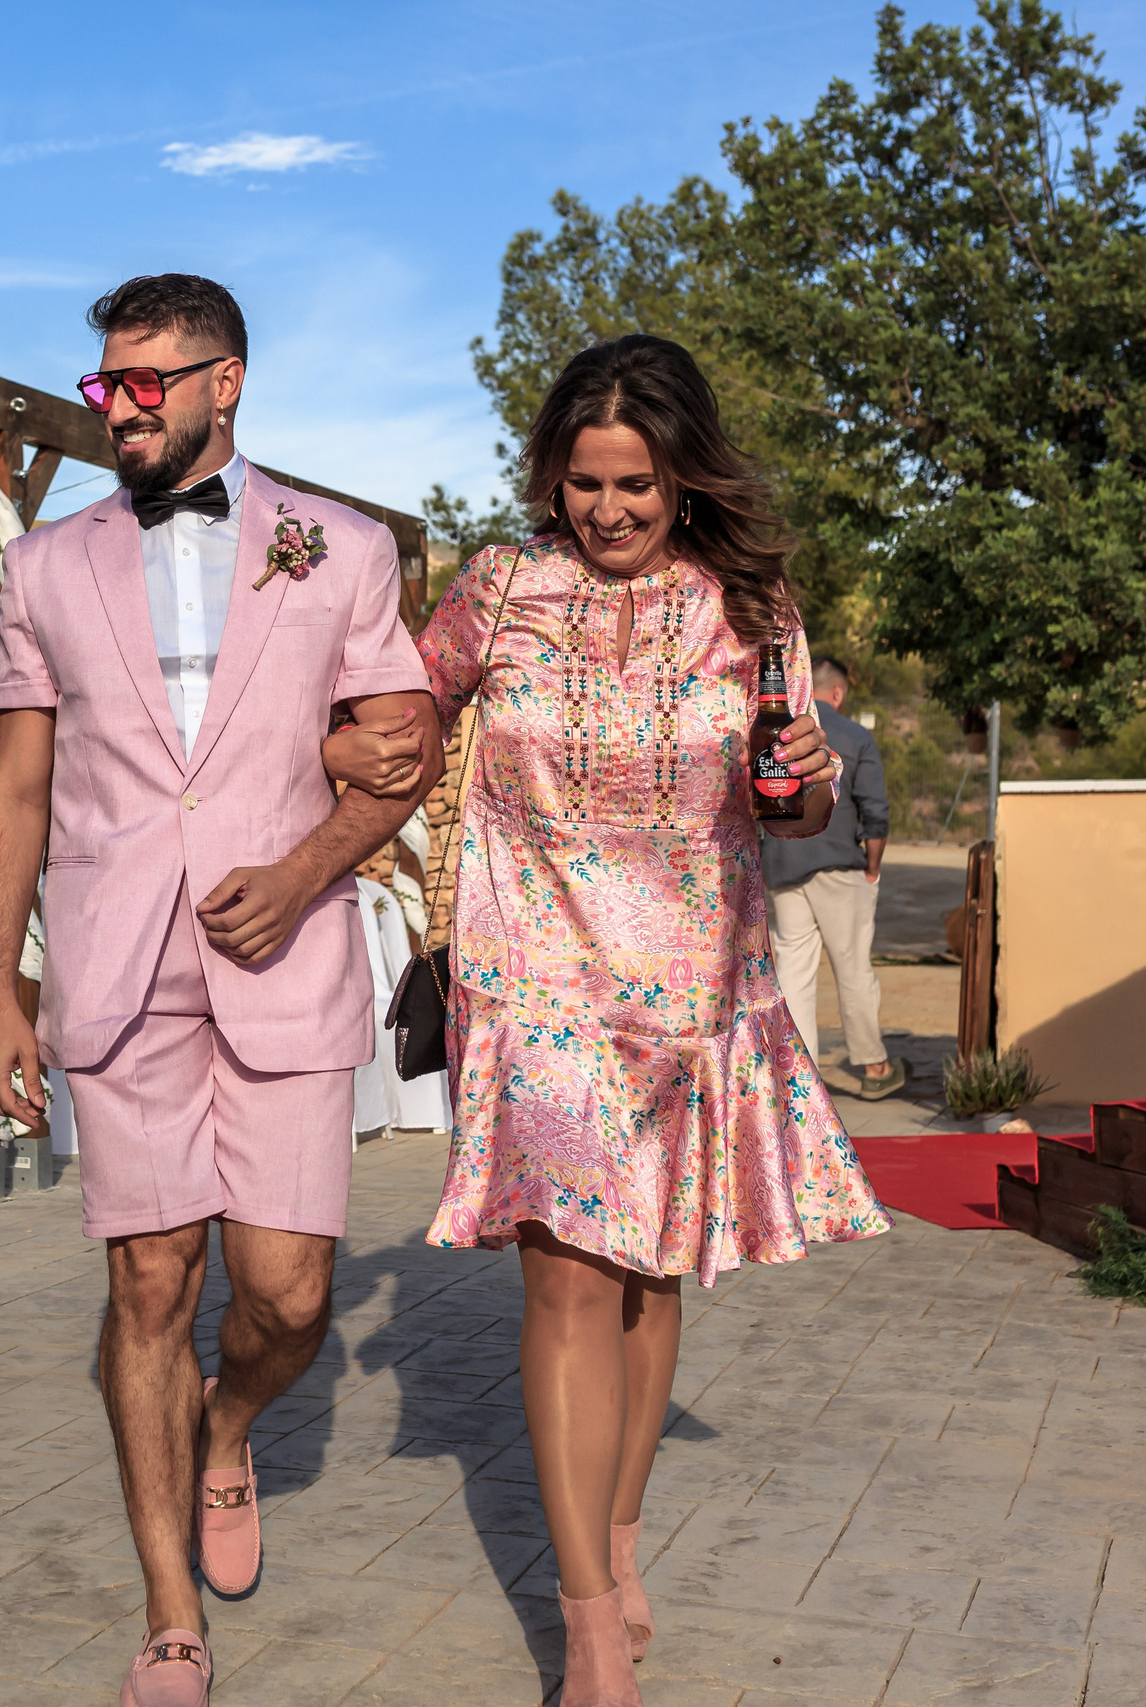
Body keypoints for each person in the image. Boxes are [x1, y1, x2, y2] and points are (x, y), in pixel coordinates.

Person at [332, 335, 888, 1705]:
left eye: (636, 482)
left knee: (647, 1276)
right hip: (533, 982)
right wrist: (344, 749)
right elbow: (389, 717)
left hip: (695, 984)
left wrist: (811, 777)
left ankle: (620, 1532)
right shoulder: (498, 588)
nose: (611, 510)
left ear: (685, 473)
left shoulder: (750, 606)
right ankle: (586, 1625)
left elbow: (792, 807)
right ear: (551, 476)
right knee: (567, 1277)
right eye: (585, 482)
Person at [0, 274, 439, 1707]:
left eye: (146, 382)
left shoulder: (343, 547)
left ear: (224, 382)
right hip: (114, 972)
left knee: (290, 1295)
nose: (117, 406)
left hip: (284, 956)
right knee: (150, 1278)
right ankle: (171, 1612)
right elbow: (19, 783)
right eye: (105, 382)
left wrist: (303, 871)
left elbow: (401, 748)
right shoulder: (42, 564)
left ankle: (228, 1426)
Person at [764, 657, 900, 1098]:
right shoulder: (856, 737)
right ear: (838, 692)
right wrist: (873, 867)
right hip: (840, 868)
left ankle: (801, 1079)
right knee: (853, 967)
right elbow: (873, 811)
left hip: (783, 867)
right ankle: (874, 1068)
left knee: (794, 974)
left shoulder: (780, 735)